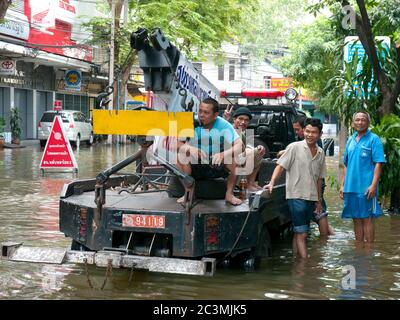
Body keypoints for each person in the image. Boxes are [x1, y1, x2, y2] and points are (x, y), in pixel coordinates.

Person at [264, 118, 326, 258]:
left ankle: (296, 260)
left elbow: (319, 179)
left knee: (300, 231)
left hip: (311, 197)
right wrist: (272, 182)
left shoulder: (321, 153)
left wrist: (319, 200)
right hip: (296, 195)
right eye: (307, 131)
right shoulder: (294, 147)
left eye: (314, 132)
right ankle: (305, 263)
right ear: (303, 131)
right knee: (302, 232)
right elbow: (280, 166)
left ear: (320, 134)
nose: (310, 135)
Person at [176, 98, 243, 205]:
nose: (201, 115)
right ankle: (188, 193)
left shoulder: (224, 125)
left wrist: (223, 154)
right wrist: (189, 148)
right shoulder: (192, 122)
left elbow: (240, 145)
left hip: (216, 164)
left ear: (215, 115)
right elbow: (177, 144)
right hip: (196, 164)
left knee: (236, 159)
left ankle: (229, 194)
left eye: (206, 112)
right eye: (200, 111)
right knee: (180, 156)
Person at [278, 115, 334, 236]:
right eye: (305, 131)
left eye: (298, 129)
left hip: (312, 184)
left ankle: (326, 239)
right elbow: (280, 166)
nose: (297, 132)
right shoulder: (296, 144)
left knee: (318, 214)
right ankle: (325, 241)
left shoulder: (314, 145)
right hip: (303, 189)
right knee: (305, 226)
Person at [339, 111, 386, 243]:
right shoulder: (350, 140)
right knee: (356, 218)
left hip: (366, 187)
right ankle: (359, 250)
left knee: (367, 218)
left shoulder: (374, 139)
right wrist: (342, 185)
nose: (360, 122)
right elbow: (346, 165)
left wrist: (373, 185)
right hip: (350, 188)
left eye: (363, 120)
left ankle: (369, 252)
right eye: (357, 120)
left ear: (368, 122)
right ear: (353, 123)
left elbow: (379, 163)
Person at [224, 106, 266, 191]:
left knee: (258, 153)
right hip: (226, 160)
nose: (243, 122)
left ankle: (251, 183)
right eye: (240, 119)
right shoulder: (229, 129)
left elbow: (246, 146)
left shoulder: (243, 133)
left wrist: (258, 147)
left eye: (246, 120)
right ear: (234, 119)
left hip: (237, 159)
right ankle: (246, 184)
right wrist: (226, 120)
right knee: (250, 153)